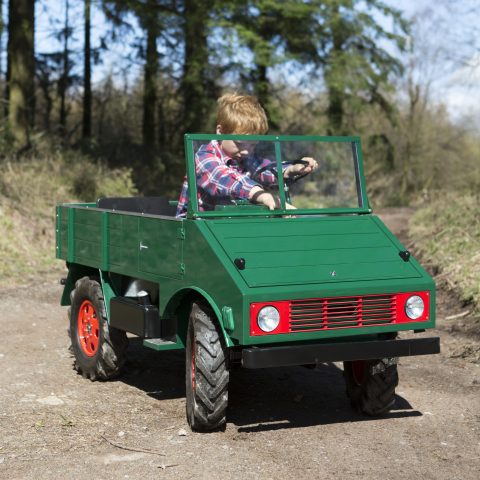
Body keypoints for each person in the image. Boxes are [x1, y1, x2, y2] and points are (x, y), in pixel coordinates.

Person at [176, 93, 317, 217]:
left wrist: (291, 169)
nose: (246, 151)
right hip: (195, 230)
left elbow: (264, 169)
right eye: (240, 143)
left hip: (226, 226)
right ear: (220, 131)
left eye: (253, 145)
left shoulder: (245, 157)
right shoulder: (204, 158)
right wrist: (262, 195)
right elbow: (226, 179)